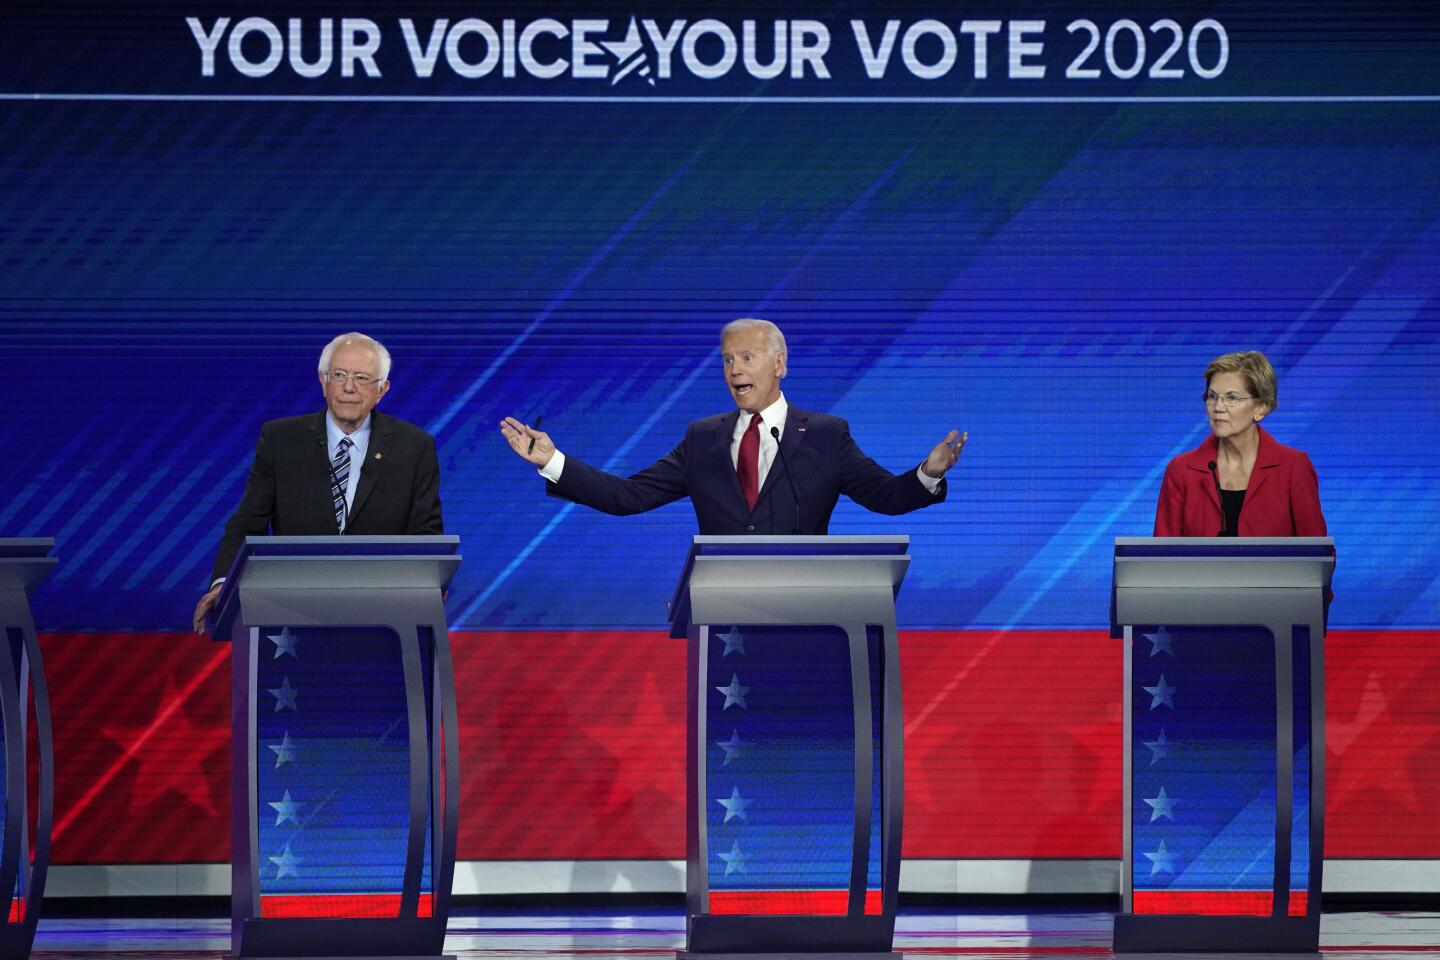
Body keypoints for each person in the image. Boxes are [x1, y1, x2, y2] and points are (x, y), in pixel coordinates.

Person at [499, 318, 966, 534]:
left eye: (747, 357)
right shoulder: (703, 439)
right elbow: (629, 497)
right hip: (724, 622)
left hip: (810, 609)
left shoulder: (826, 436)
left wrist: (929, 472)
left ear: (779, 364)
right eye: (727, 360)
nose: (735, 369)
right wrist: (553, 462)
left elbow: (886, 497)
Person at [192, 332, 443, 632]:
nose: (349, 387)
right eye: (339, 375)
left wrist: (430, 583)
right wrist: (224, 583)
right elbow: (248, 522)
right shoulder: (281, 440)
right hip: (292, 615)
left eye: (362, 378)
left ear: (382, 389)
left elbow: (425, 534)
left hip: (383, 619)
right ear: (323, 381)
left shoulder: (414, 447)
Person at [1154, 350, 1326, 537]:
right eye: (1212, 397)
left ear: (1261, 407)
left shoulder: (1293, 467)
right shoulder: (1181, 470)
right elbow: (1162, 556)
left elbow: (1317, 555)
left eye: (1232, 398)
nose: (1218, 408)